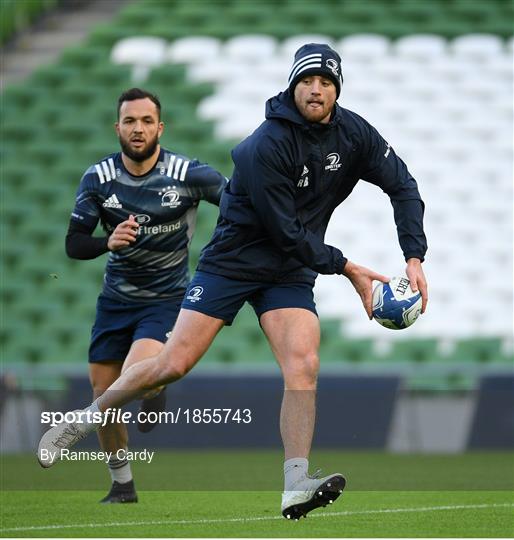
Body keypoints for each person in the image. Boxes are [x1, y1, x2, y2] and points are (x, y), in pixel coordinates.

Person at [39, 45, 428, 519]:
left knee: (304, 364)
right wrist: (346, 267)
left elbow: (402, 185)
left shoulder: (355, 135)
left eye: (326, 82)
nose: (316, 89)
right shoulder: (266, 143)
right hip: (235, 260)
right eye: (307, 80)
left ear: (337, 89)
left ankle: (295, 484)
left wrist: (414, 257)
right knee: (173, 364)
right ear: (293, 85)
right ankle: (84, 419)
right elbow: (284, 230)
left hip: (288, 268)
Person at [63, 87, 226, 504]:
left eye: (146, 121)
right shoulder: (97, 179)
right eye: (130, 121)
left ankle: (155, 386)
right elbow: (74, 243)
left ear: (160, 127)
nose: (138, 129)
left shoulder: (188, 174)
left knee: (126, 383)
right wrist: (107, 241)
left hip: (167, 300)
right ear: (117, 127)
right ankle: (122, 485)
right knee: (104, 398)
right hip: (115, 301)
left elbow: (238, 204)